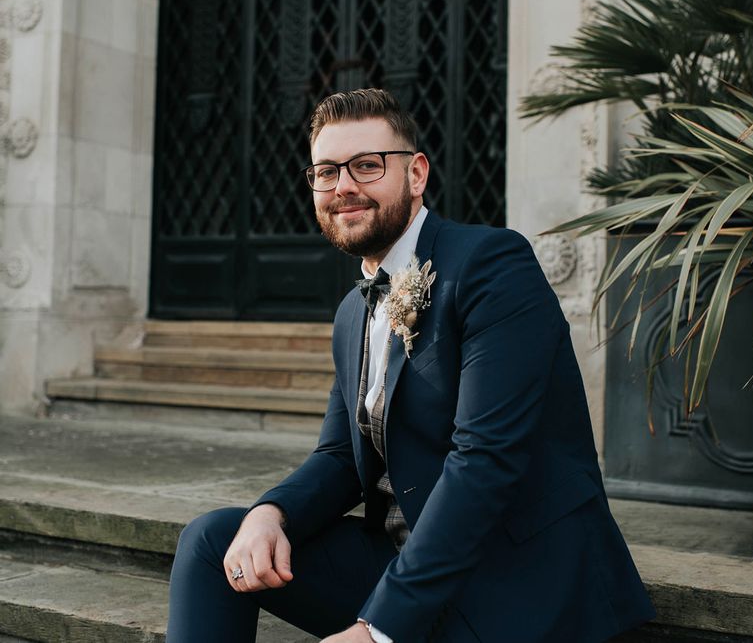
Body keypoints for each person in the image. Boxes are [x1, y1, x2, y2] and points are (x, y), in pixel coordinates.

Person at [166, 88, 655, 643]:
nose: (343, 186)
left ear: (416, 173)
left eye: (366, 166)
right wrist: (270, 513)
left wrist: (378, 629)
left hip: (511, 578)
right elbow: (339, 458)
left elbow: (485, 459)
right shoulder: (354, 310)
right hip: (401, 560)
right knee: (213, 540)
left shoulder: (492, 264)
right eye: (326, 171)